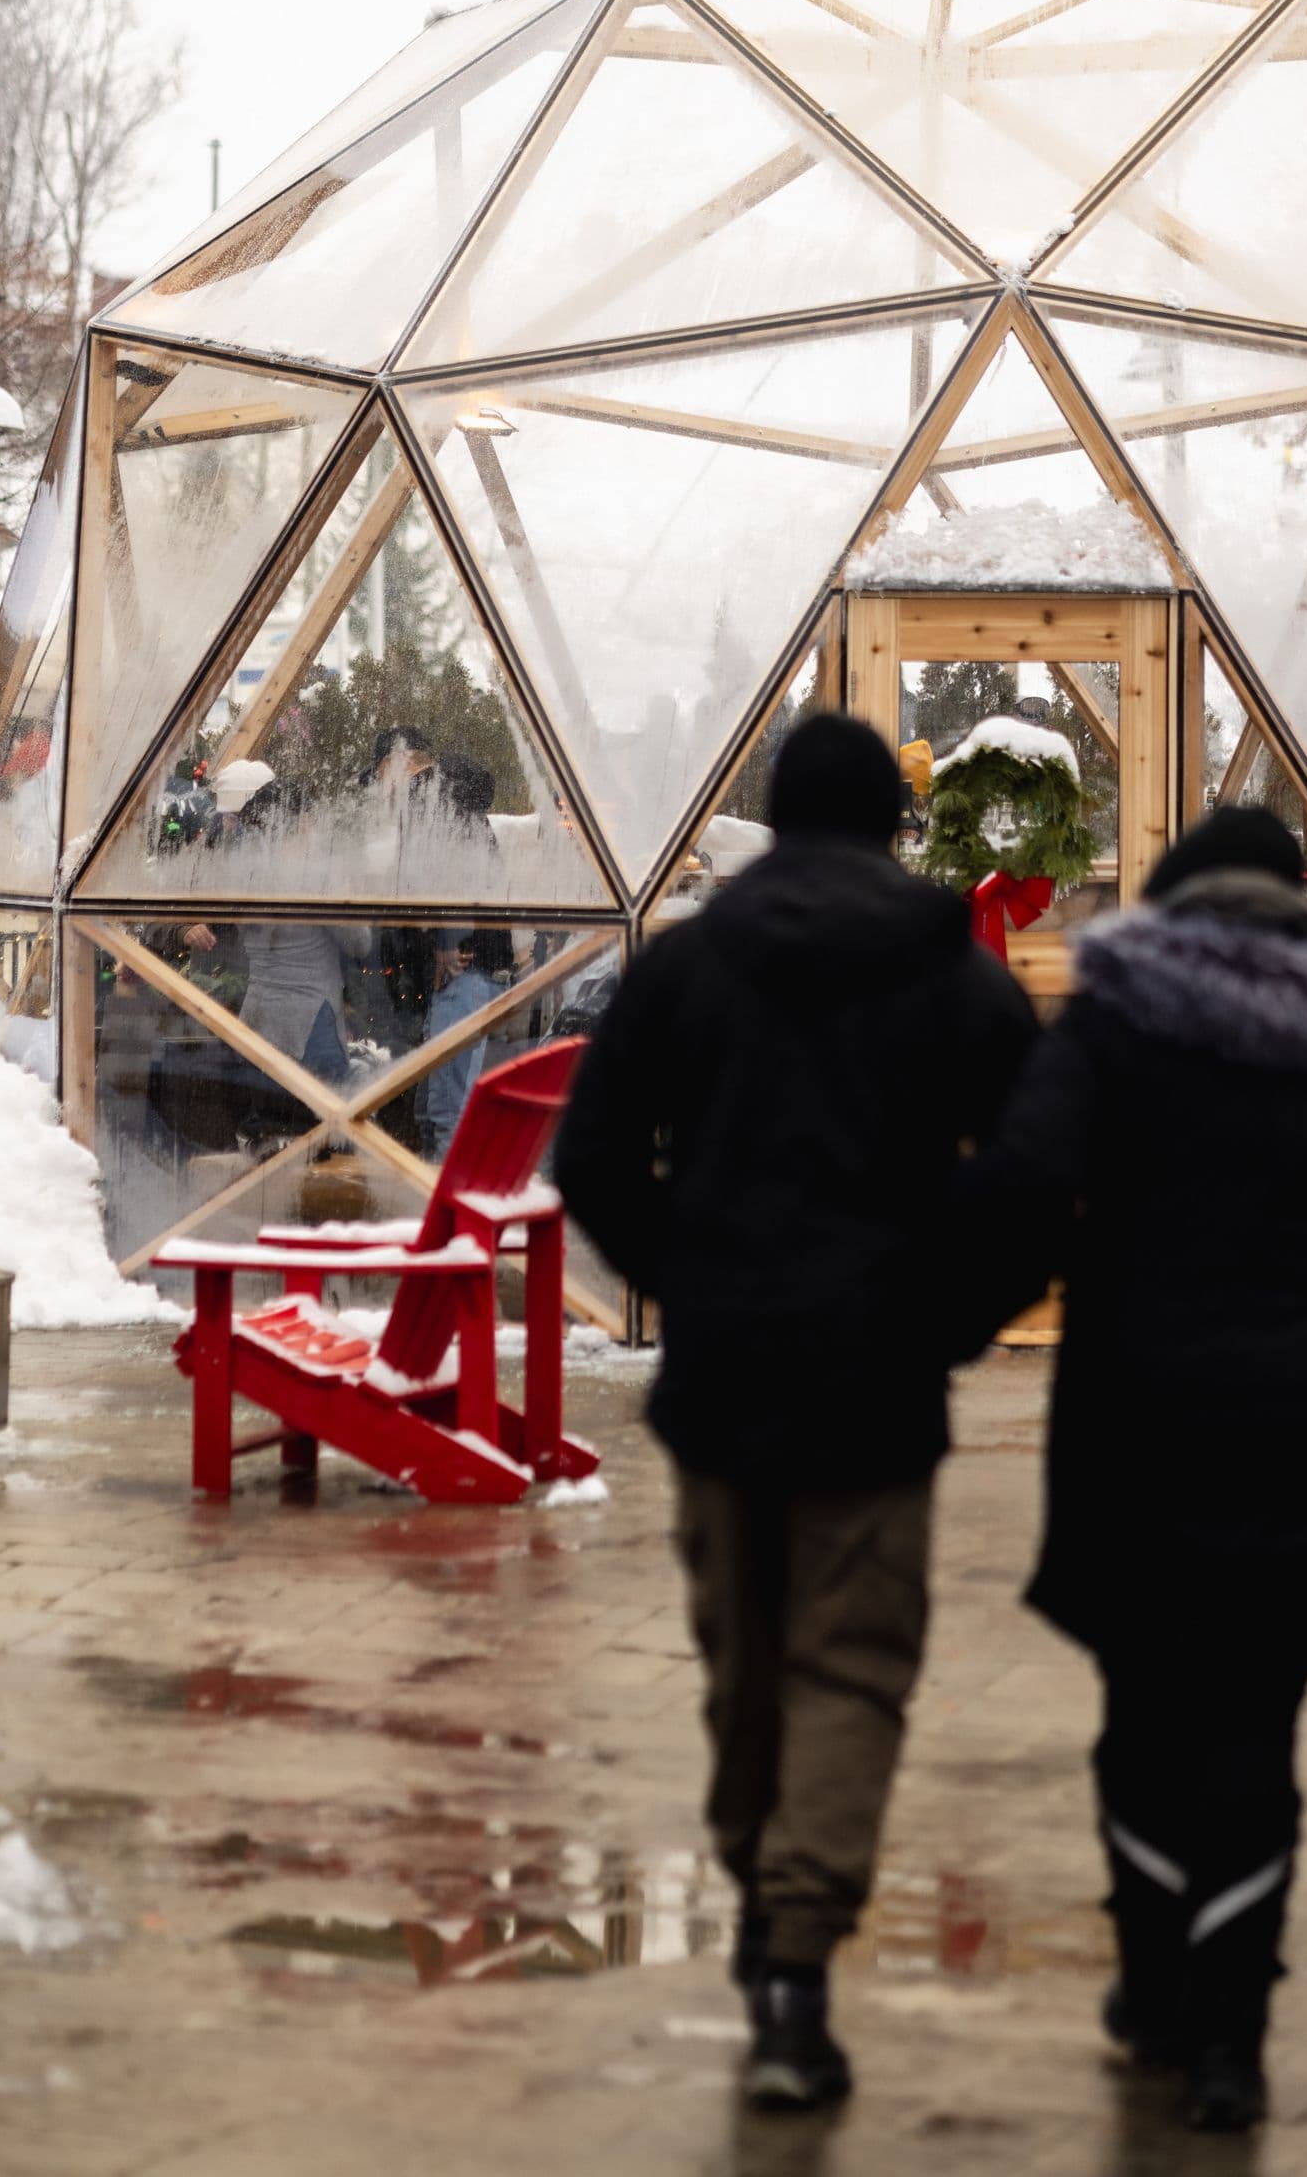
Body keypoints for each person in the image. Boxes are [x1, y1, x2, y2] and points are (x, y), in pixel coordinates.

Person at [973, 805, 1307, 2134]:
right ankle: (1230, 2045)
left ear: (1173, 897)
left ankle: (1153, 1986)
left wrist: (944, 1322)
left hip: (1132, 1421)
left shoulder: (1113, 1014)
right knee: (1256, 1734)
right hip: (1300, 1430)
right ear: (1292, 898)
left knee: (1143, 1716)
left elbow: (1027, 1182)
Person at [555, 714, 1036, 2112]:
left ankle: (769, 1910)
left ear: (773, 816)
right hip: (877, 1386)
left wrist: (686, 1278)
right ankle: (793, 1961)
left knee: (745, 1668)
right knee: (852, 1667)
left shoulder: (691, 964)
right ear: (896, 819)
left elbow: (590, 1152)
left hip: (723, 1379)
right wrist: (948, 1316)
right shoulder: (955, 976)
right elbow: (1040, 1172)